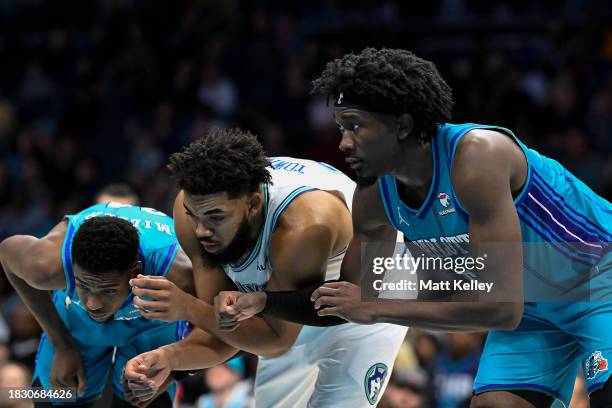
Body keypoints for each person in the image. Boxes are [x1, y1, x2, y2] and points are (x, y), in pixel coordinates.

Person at [300, 48, 609, 408]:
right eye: (341, 127)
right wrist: (257, 300)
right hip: (533, 309)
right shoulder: (373, 199)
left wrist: (377, 307)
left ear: (402, 126)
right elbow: (350, 298)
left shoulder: (477, 155)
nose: (343, 142)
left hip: (599, 279)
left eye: (355, 125)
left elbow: (499, 309)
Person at [123, 128, 407, 407]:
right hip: (280, 304)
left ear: (254, 204)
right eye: (193, 215)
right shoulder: (195, 211)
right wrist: (170, 361)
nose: (201, 231)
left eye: (215, 217)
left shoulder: (303, 227)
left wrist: (188, 307)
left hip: (366, 293)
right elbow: (224, 329)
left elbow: (276, 340)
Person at [0, 203, 194, 407]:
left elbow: (228, 337)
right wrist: (61, 344)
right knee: (56, 396)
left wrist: (174, 372)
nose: (93, 304)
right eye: (83, 285)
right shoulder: (45, 265)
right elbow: (5, 252)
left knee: (146, 399)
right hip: (76, 319)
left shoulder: (179, 275)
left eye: (107, 290)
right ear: (71, 267)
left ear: (135, 272)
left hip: (154, 321)